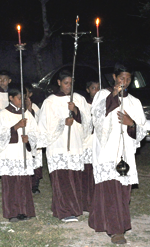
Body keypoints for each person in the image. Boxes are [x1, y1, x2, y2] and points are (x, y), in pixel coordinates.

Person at [89, 63, 146, 244]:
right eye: (122, 78)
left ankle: (99, 220)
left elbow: (143, 130)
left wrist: (131, 124)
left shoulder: (134, 101)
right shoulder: (102, 94)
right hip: (107, 151)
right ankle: (116, 230)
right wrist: (114, 96)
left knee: (122, 191)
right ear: (114, 77)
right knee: (110, 190)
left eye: (128, 78)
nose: (125, 81)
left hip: (125, 153)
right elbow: (96, 116)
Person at [37, 69, 91, 223]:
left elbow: (88, 121)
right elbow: (45, 124)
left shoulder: (79, 99)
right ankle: (64, 211)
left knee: (74, 178)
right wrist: (63, 122)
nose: (69, 86)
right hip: (58, 145)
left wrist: (76, 111)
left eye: (71, 83)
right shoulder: (50, 101)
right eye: (66, 83)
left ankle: (73, 208)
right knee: (61, 178)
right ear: (59, 83)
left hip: (74, 143)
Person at [0, 85, 40, 222]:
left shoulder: (27, 114)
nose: (21, 101)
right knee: (12, 184)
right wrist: (16, 127)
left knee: (23, 184)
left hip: (22, 153)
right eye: (19, 98)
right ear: (11, 98)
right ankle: (12, 212)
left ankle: (23, 211)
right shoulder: (3, 114)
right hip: (9, 154)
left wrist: (29, 140)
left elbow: (34, 133)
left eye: (23, 99)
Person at [81, 80, 100, 212]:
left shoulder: (104, 105)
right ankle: (86, 203)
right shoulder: (84, 105)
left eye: (99, 88)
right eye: (93, 88)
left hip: (99, 144)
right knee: (87, 175)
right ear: (88, 90)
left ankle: (97, 201)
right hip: (87, 143)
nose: (96, 91)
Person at [24, 83, 43, 195]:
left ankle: (34, 185)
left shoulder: (35, 107)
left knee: (35, 161)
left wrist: (30, 109)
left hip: (33, 139)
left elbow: (39, 122)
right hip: (23, 139)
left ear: (30, 94)